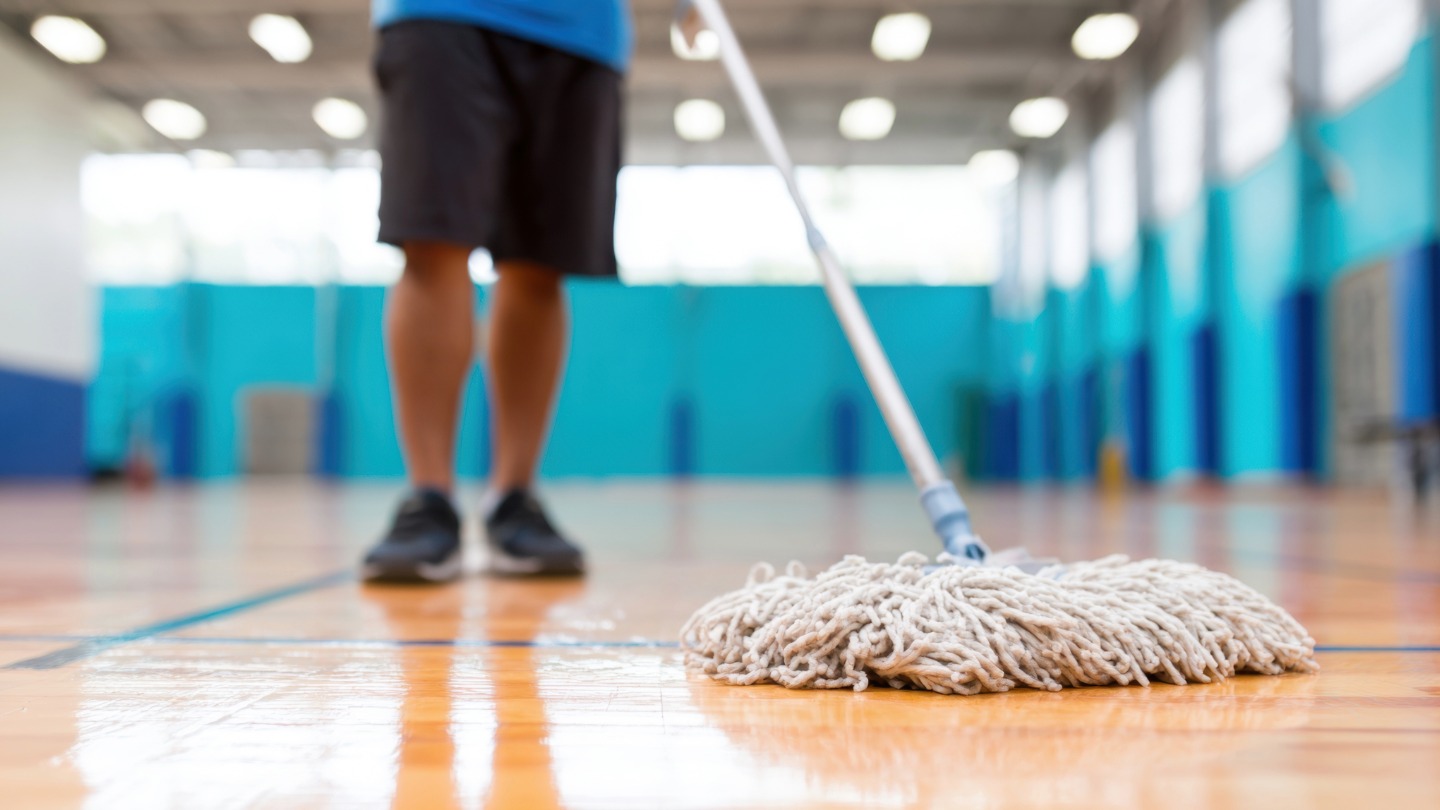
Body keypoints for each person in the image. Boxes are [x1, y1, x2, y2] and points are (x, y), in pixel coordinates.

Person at [360, 0, 632, 582]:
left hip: (581, 30)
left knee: (540, 260)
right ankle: (429, 498)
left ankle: (514, 498)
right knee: (431, 240)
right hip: (439, 13)